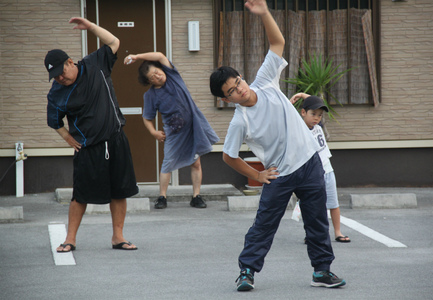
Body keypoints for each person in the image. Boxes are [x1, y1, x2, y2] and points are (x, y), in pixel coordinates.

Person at [209, 0, 346, 291]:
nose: (239, 90)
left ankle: (321, 271)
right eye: (231, 92)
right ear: (226, 99)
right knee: (264, 225)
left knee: (317, 221)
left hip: (309, 163)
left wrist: (265, 13)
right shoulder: (239, 121)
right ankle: (247, 271)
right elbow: (228, 156)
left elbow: (277, 41)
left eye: (238, 82)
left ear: (242, 78)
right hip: (279, 174)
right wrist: (258, 175)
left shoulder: (266, 81)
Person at [45, 17, 139, 252]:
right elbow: (54, 121)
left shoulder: (95, 64)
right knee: (81, 195)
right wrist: (67, 137)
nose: (59, 78)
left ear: (70, 62)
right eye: (54, 76)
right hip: (88, 148)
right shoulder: (57, 93)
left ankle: (118, 237)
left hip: (115, 138)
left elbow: (115, 41)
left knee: (119, 190)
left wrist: (91, 27)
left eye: (61, 72)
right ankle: (70, 238)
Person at [124, 51, 219, 209]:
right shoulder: (151, 96)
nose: (158, 76)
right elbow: (147, 118)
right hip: (173, 132)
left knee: (196, 162)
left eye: (157, 72)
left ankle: (196, 196)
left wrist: (137, 57)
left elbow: (160, 55)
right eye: (152, 77)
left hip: (193, 127)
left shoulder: (173, 76)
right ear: (149, 82)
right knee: (167, 163)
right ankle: (162, 197)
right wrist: (154, 132)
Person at [290, 93, 351, 243]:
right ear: (303, 113)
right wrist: (293, 102)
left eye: (319, 115)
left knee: (333, 204)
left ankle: (337, 231)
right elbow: (288, 116)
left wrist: (303, 95)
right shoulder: (299, 127)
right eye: (313, 114)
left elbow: (317, 102)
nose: (316, 118)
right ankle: (311, 233)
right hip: (311, 173)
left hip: (327, 170)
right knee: (311, 206)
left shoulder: (318, 126)